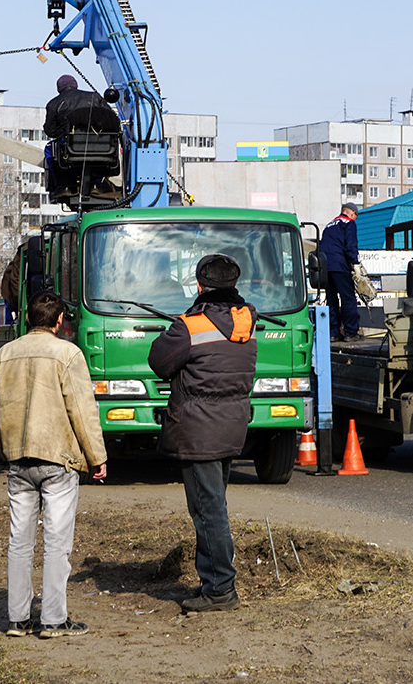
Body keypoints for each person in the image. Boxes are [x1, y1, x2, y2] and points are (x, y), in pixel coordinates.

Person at [0, 291, 108, 639]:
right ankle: (54, 620)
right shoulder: (68, 354)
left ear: (28, 320)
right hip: (58, 460)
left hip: (19, 461)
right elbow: (82, 410)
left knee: (19, 542)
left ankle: (17, 619)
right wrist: (97, 457)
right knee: (57, 542)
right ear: (58, 322)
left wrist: (6, 447)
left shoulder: (4, 354)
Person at [147, 254, 256, 614]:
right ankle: (214, 582)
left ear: (199, 286)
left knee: (209, 511)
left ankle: (220, 588)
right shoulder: (248, 320)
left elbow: (159, 362)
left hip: (198, 430)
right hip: (232, 425)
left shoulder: (191, 325)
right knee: (215, 505)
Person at [43, 75, 120, 200]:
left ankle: (63, 186)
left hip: (72, 150)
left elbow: (50, 131)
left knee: (49, 149)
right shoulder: (95, 97)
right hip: (103, 149)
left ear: (59, 89)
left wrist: (64, 131)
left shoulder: (54, 103)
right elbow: (111, 118)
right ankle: (97, 183)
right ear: (76, 85)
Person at [321, 203, 361, 341]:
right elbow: (350, 245)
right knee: (348, 298)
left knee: (331, 300)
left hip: (326, 267)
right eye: (356, 216)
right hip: (340, 265)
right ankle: (351, 332)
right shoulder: (349, 223)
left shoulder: (328, 225)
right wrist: (355, 264)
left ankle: (333, 333)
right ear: (352, 213)